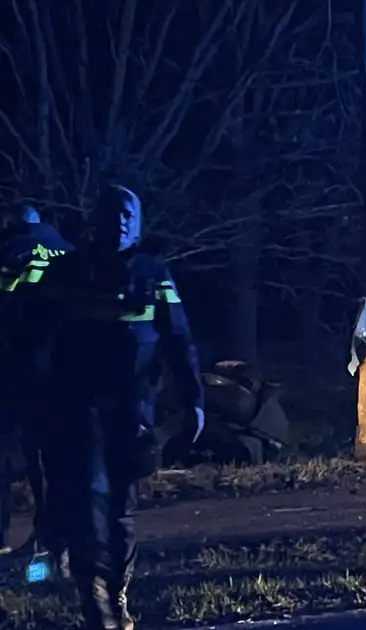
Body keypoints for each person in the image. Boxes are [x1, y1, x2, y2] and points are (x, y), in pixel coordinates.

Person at [36, 186, 204, 630]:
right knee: (90, 499)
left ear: (140, 222)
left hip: (132, 411)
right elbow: (32, 336)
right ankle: (98, 607)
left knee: (121, 510)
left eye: (129, 215)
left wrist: (195, 400)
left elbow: (179, 338)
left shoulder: (153, 273)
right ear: (97, 220)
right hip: (78, 408)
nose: (122, 223)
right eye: (113, 214)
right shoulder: (68, 271)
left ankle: (116, 595)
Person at [0, 204, 73, 559]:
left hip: (17, 365)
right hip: (64, 369)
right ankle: (52, 540)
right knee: (51, 460)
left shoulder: (11, 249)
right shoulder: (67, 249)